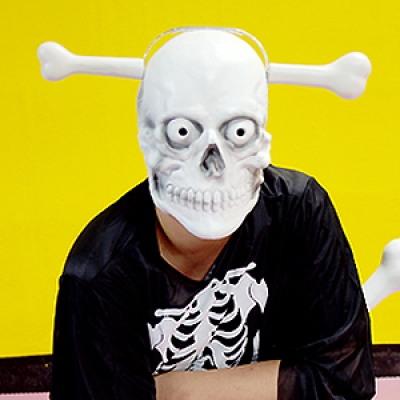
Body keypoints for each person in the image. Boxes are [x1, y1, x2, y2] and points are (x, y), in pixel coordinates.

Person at [50, 29, 375, 399]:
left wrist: (174, 391)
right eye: (182, 132)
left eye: (239, 131)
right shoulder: (100, 275)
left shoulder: (297, 210)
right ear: (147, 139)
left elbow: (346, 382)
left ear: (262, 137)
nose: (213, 164)